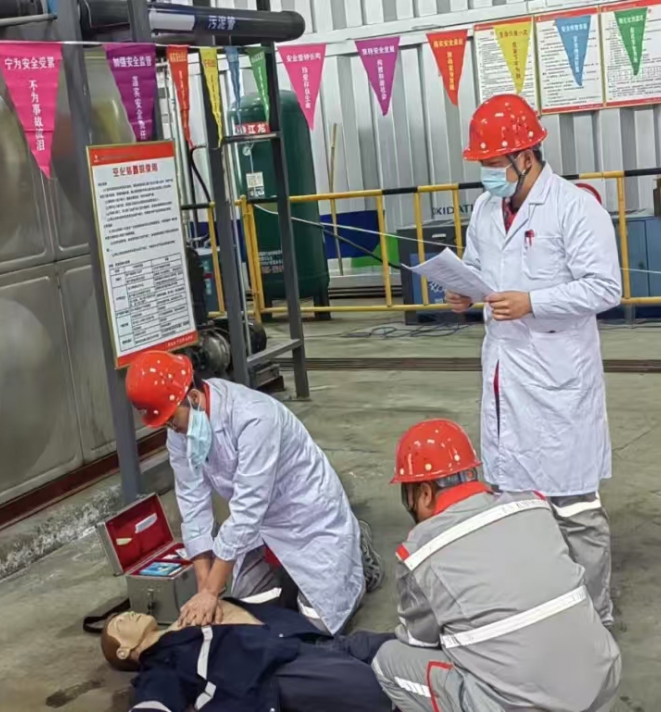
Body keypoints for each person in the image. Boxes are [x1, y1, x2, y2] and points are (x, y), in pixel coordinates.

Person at [446, 94, 623, 626]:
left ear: (525, 156)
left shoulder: (574, 207)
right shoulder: (485, 210)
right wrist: (462, 292)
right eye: (482, 164)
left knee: (574, 509)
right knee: (516, 505)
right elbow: (477, 267)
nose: (487, 174)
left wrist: (533, 302)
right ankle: (537, 607)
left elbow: (605, 287)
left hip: (557, 377)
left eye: (493, 163)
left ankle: (594, 616)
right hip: (507, 375)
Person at [372, 420, 620, 712]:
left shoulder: (420, 553)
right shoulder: (534, 506)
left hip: (520, 706)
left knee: (388, 660)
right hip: (601, 684)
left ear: (424, 493)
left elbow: (420, 641)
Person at [125, 350, 379, 635]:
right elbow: (192, 504)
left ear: (193, 398)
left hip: (306, 516)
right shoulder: (180, 432)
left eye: (173, 420)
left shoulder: (254, 416)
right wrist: (205, 587)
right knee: (247, 613)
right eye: (167, 425)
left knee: (319, 627)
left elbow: (247, 510)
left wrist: (212, 591)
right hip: (260, 526)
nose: (173, 430)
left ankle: (356, 549)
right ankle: (290, 575)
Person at [101, 600, 394, 712]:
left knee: (403, 646)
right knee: (381, 691)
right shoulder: (161, 662)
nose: (128, 614)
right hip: (280, 669)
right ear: (124, 650)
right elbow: (153, 701)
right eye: (120, 623)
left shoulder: (189, 614)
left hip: (306, 639)